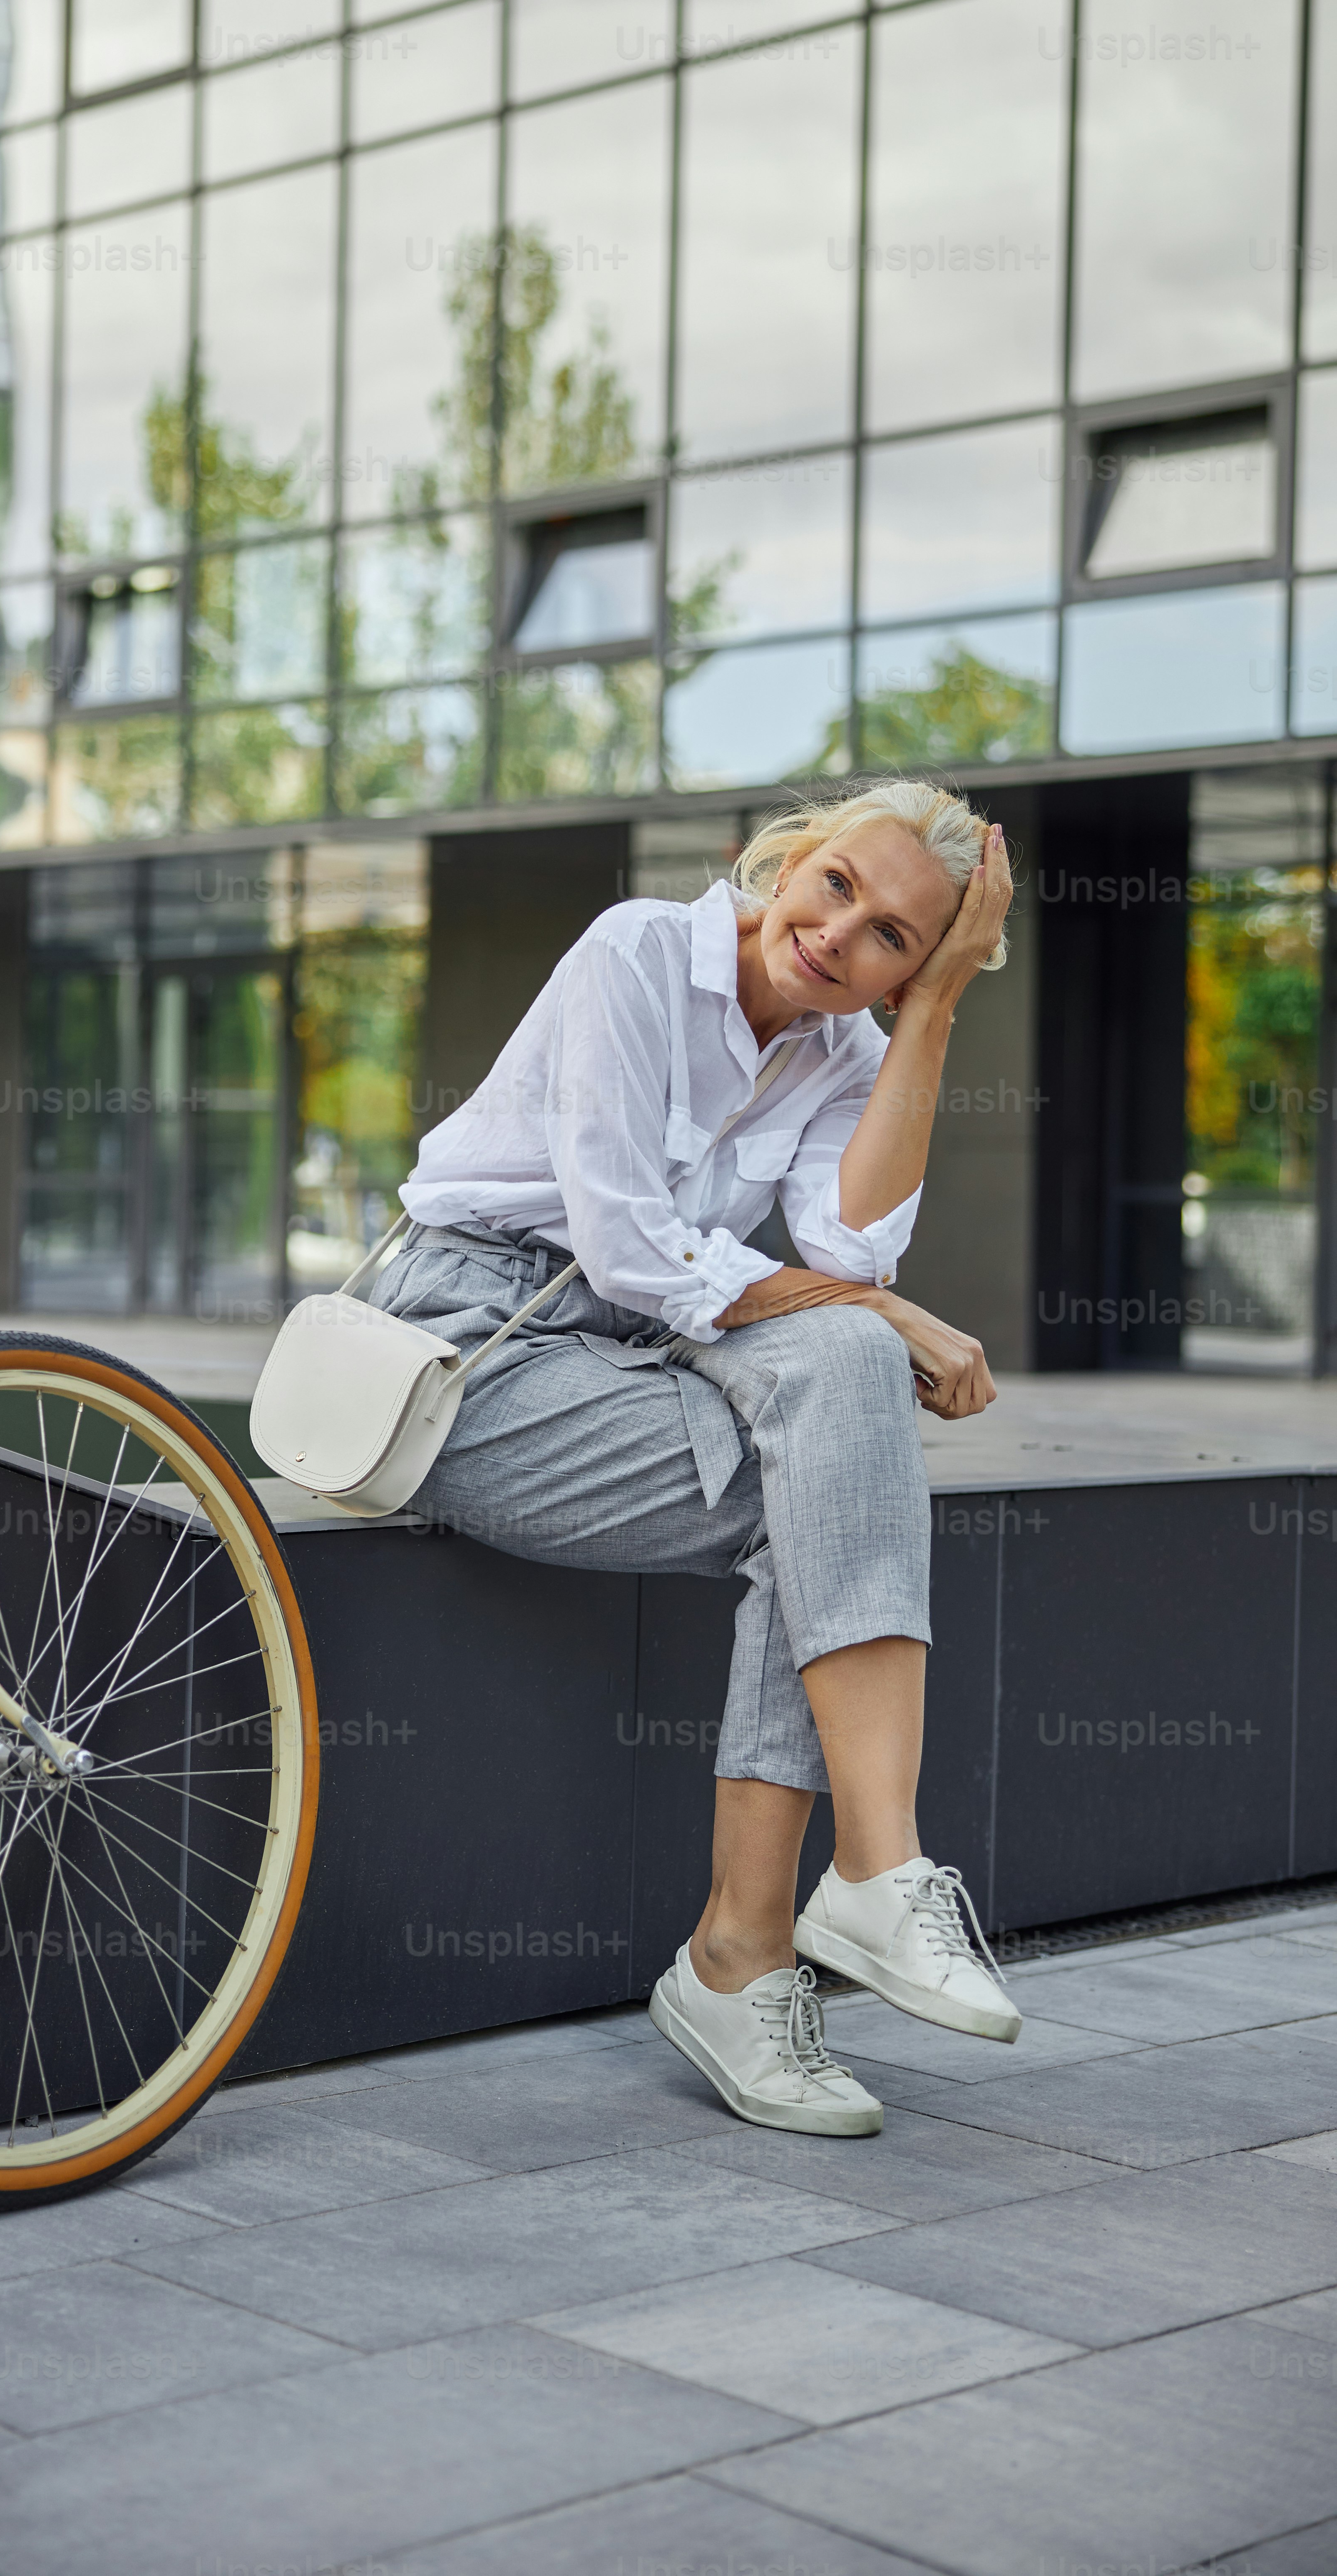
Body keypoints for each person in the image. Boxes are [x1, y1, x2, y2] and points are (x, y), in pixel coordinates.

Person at [371, 779, 1018, 2137]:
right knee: (838, 1428)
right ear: (793, 860)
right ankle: (761, 1942)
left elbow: (848, 1255)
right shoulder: (635, 954)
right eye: (838, 884)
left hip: (627, 1358)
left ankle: (834, 1895)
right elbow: (627, 1247)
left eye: (897, 939)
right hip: (474, 1351)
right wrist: (884, 1317)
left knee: (837, 1402)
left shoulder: (847, 1049)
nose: (843, 934)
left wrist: (937, 1017)